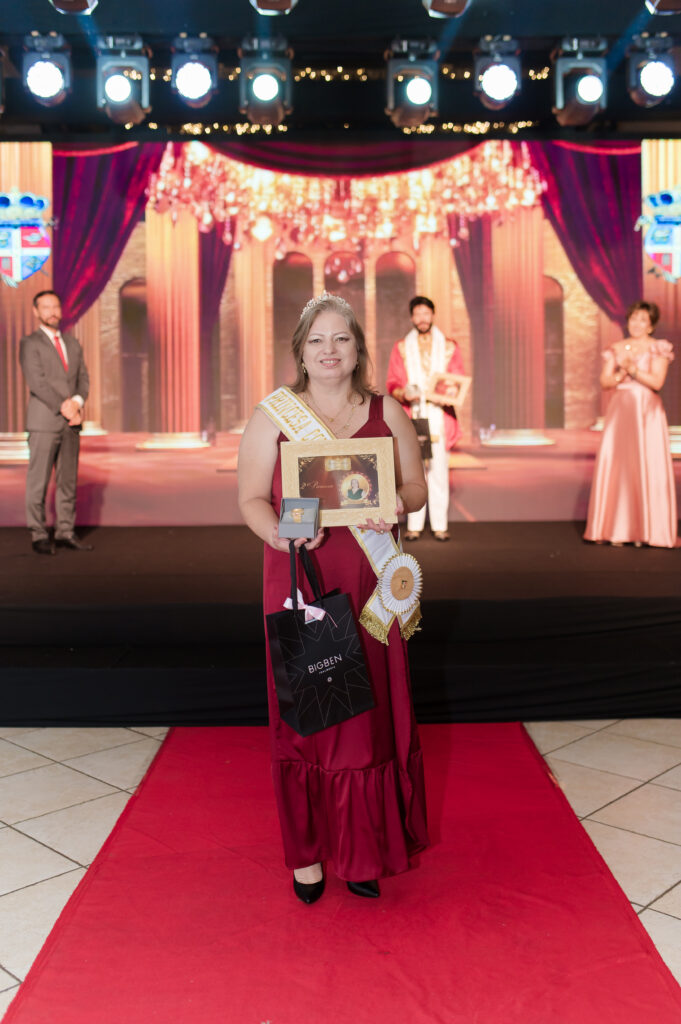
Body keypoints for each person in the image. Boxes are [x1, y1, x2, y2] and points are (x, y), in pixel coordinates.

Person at [238, 292, 429, 905]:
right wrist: (280, 533)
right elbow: (250, 499)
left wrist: (399, 502)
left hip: (371, 582)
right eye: (316, 340)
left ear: (358, 349)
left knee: (365, 718)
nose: (329, 350)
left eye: (341, 338)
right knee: (313, 714)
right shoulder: (274, 415)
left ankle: (361, 850)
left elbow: (416, 487)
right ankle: (310, 855)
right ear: (300, 352)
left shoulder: (387, 411)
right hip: (301, 575)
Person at [584, 300, 677, 549]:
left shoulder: (658, 348)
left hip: (646, 411)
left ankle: (647, 530)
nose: (636, 324)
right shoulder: (616, 348)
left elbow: (657, 382)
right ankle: (616, 527)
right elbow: (605, 382)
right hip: (620, 411)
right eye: (634, 318)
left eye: (642, 320)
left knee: (646, 464)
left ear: (651, 326)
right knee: (619, 466)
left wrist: (633, 370)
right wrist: (620, 374)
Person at [386, 295, 465, 542]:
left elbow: (457, 378)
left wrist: (448, 390)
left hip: (439, 414)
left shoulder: (449, 346)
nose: (422, 318)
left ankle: (440, 525)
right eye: (417, 314)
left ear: (433, 315)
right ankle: (414, 525)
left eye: (426, 313)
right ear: (412, 317)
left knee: (439, 470)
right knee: (413, 472)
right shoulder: (401, 347)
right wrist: (404, 393)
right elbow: (393, 382)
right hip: (414, 414)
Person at [19, 290, 92, 555]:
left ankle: (65, 532)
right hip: (44, 422)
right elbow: (37, 382)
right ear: (36, 312)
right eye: (46, 307)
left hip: (71, 423)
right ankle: (38, 534)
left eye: (56, 306)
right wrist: (65, 406)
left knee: (68, 481)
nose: (52, 312)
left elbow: (83, 379)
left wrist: (77, 402)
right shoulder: (30, 343)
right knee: (38, 482)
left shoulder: (72, 343)